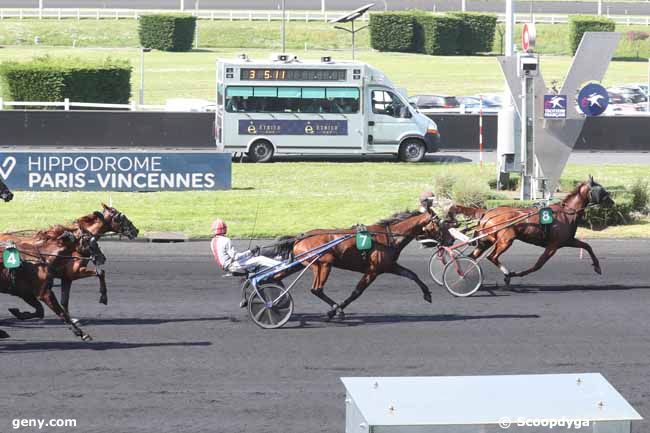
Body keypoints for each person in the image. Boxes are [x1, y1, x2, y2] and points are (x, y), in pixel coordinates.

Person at [210, 219, 281, 275]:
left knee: (253, 258)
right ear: (225, 229)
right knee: (260, 259)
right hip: (233, 266)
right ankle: (280, 266)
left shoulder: (212, 242)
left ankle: (275, 263)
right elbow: (236, 257)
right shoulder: (226, 240)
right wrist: (250, 252)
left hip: (227, 266)